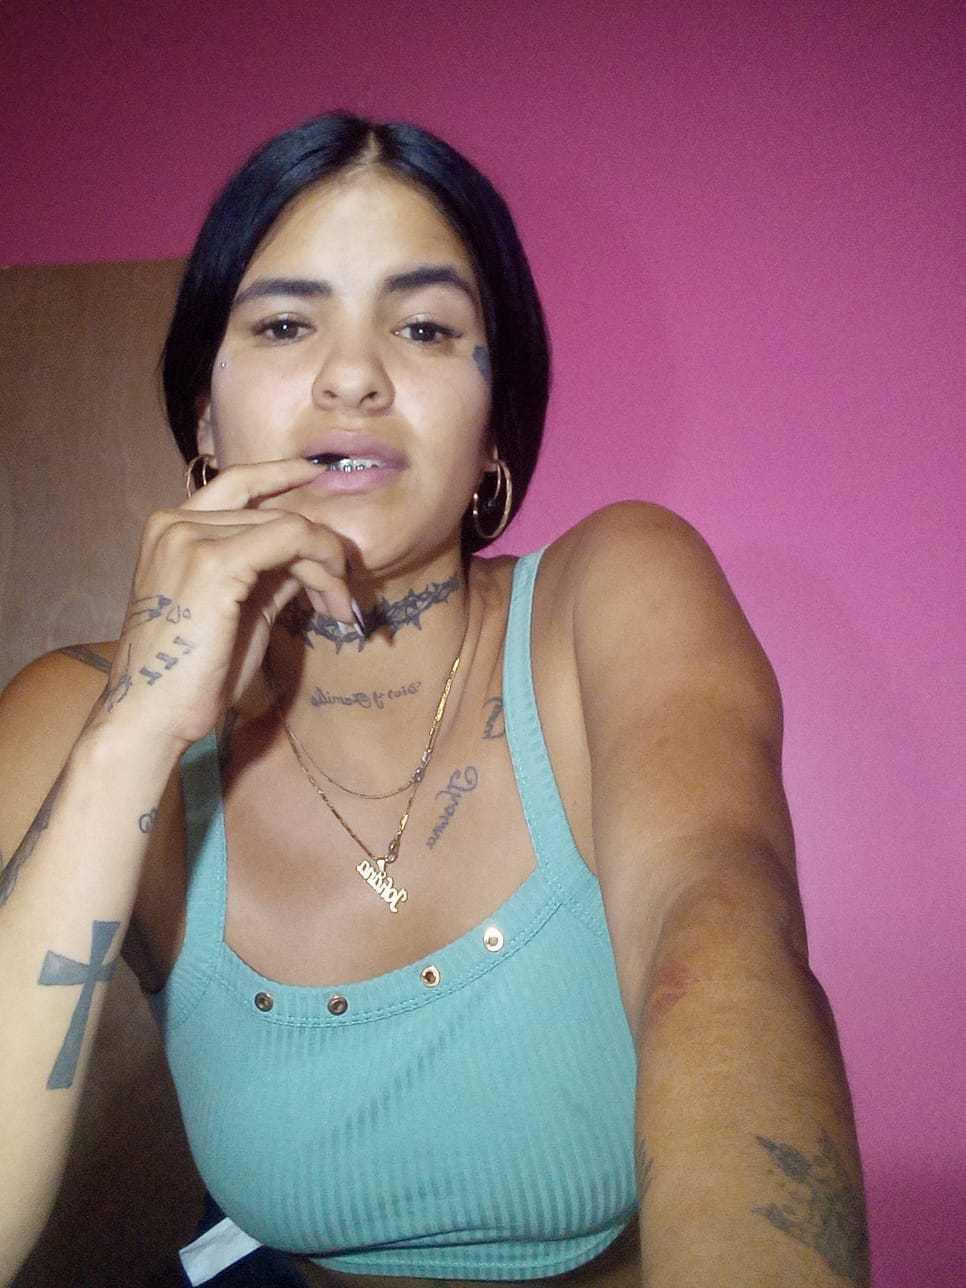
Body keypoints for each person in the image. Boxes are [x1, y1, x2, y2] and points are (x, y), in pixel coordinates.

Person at [0, 113, 870, 1287]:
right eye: (285, 324)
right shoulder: (74, 714)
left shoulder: (616, 592)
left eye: (423, 327)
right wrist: (138, 729)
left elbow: (720, 941)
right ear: (204, 415)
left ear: (494, 427)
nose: (353, 375)